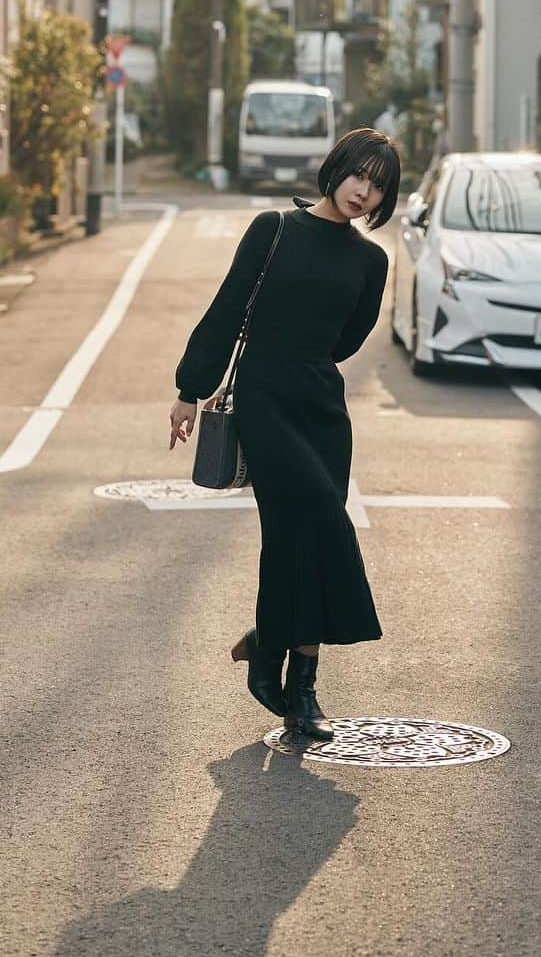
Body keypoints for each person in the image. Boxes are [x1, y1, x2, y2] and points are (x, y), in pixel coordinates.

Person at [168, 128, 401, 741]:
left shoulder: (371, 260)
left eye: (379, 186)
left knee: (302, 535)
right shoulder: (273, 230)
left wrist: (308, 358)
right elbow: (226, 308)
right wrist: (191, 388)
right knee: (320, 521)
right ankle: (292, 672)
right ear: (337, 168)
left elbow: (347, 341)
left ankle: (291, 672)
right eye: (359, 175)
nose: (365, 191)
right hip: (264, 399)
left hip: (322, 409)